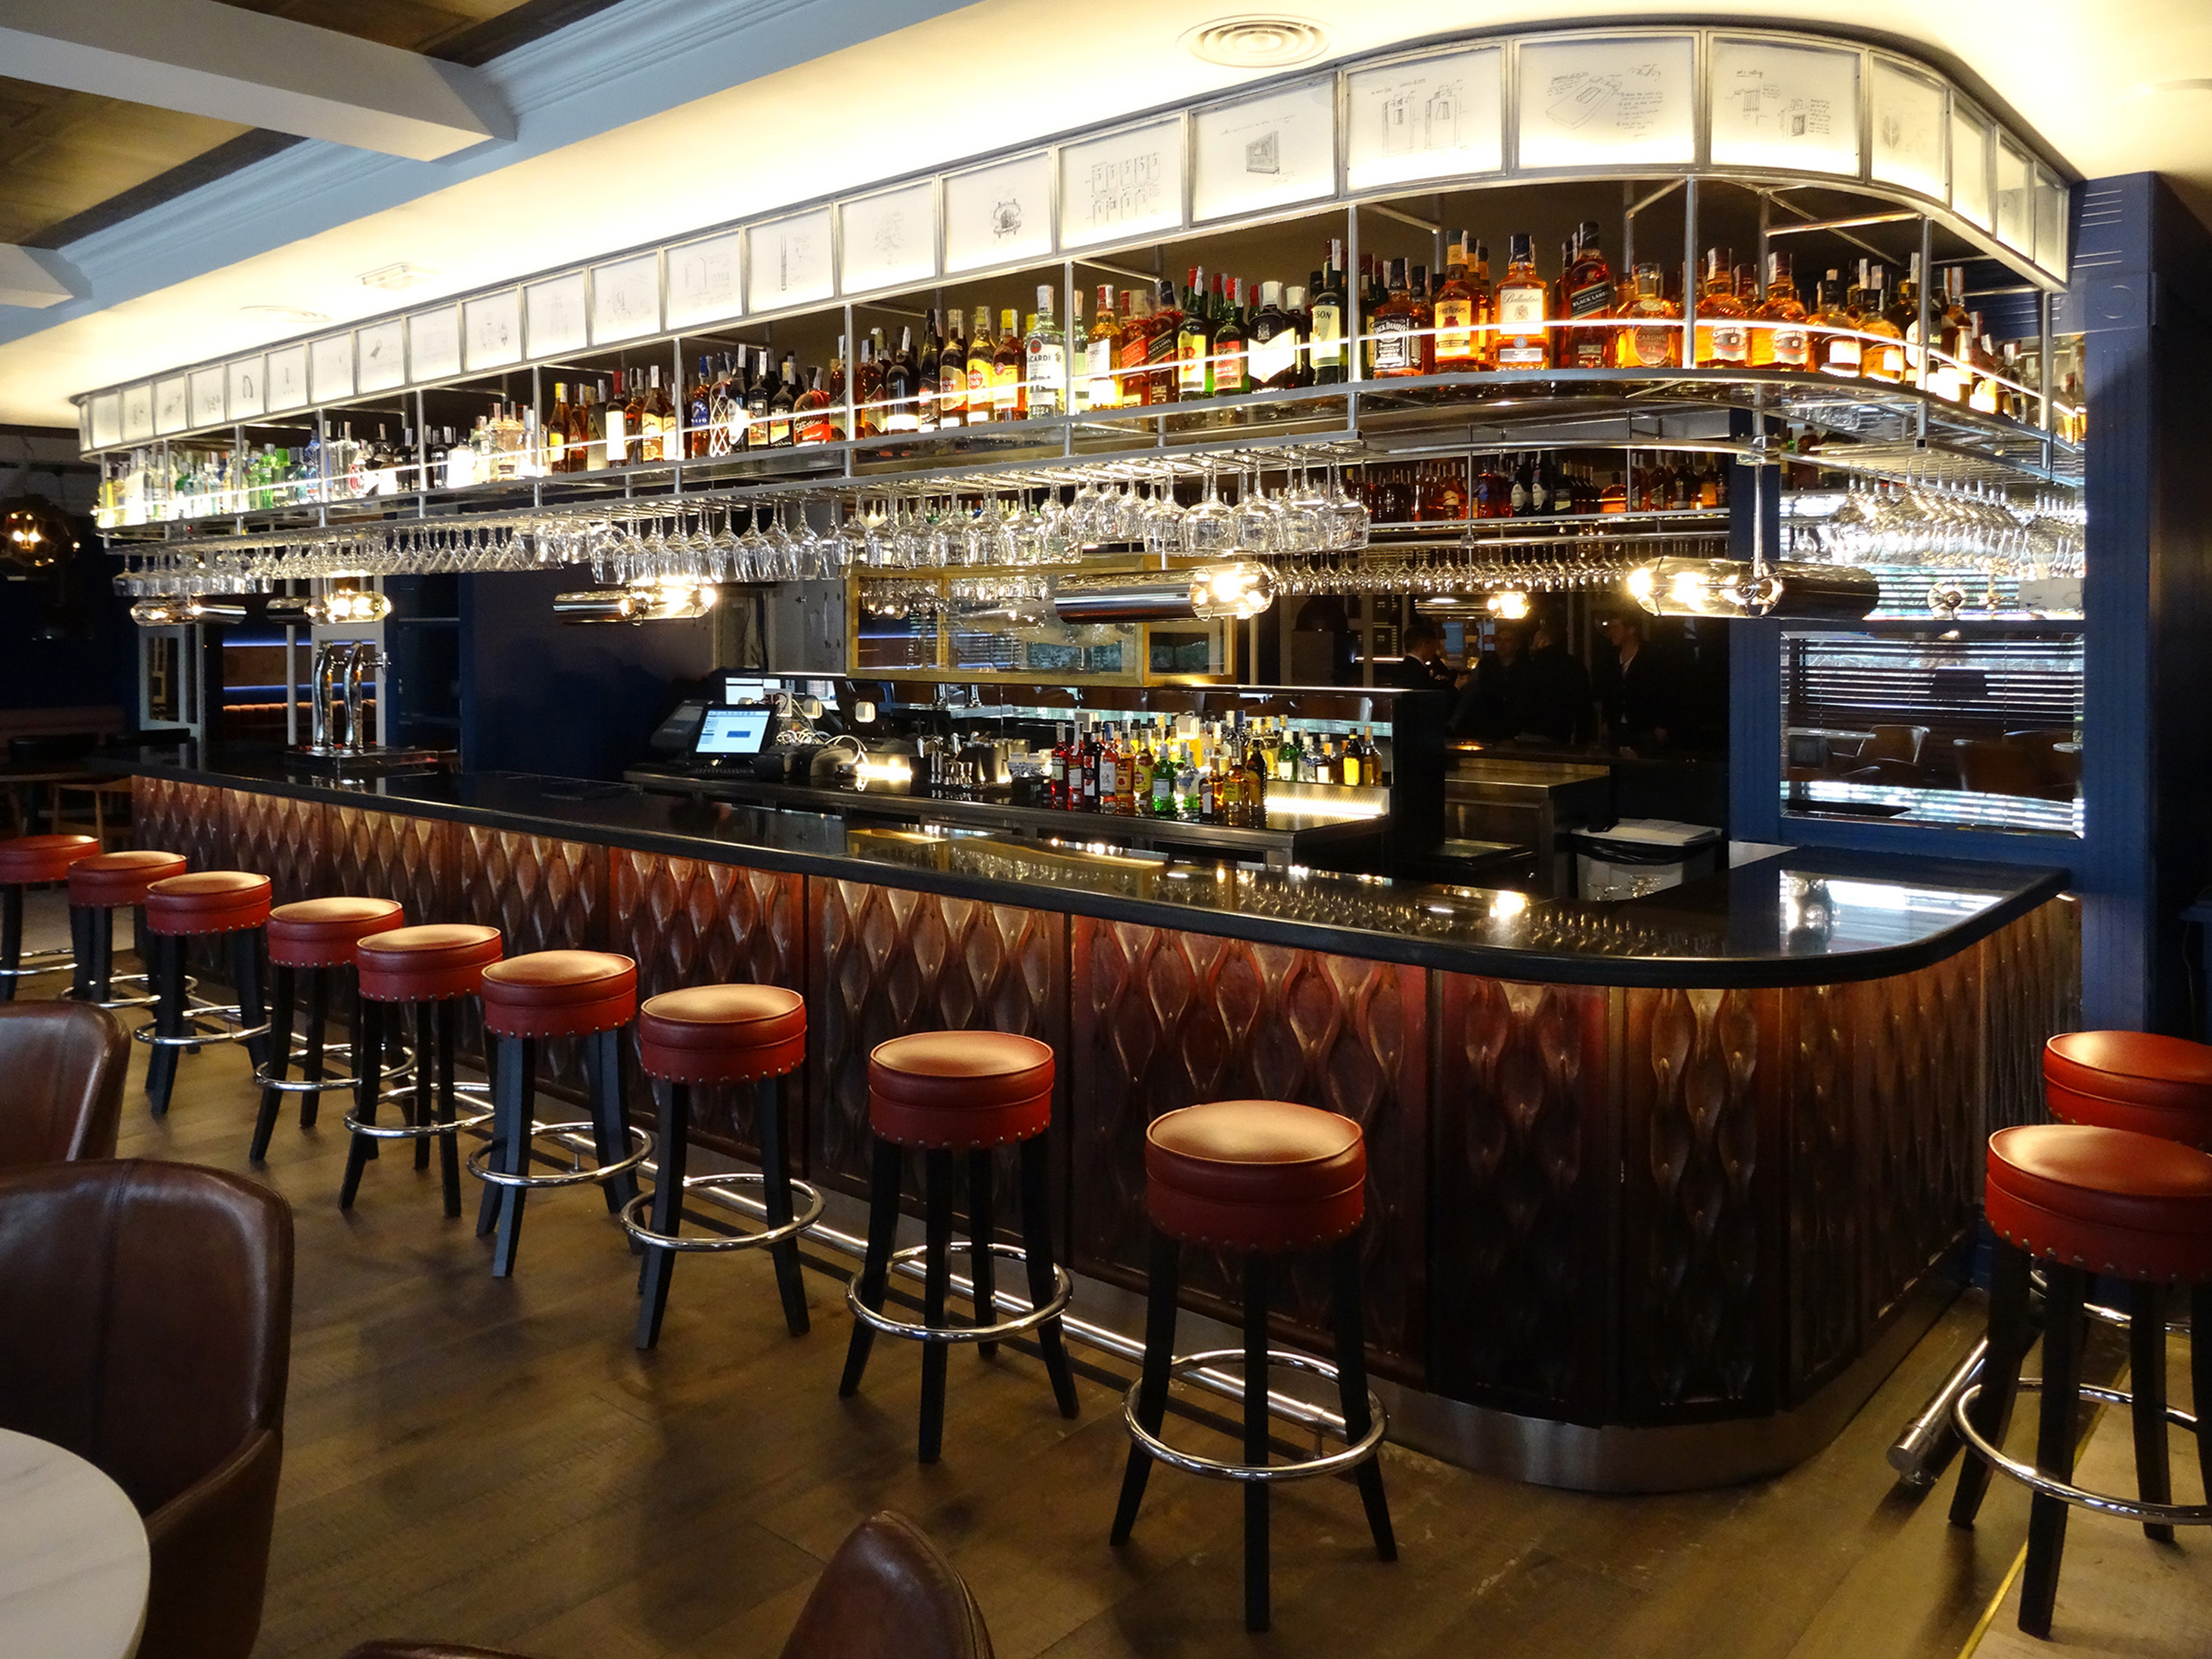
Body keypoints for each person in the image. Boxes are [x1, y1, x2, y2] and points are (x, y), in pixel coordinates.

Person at [1593, 611, 1672, 751]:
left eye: (1616, 627)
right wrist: (1606, 720)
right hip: (1617, 726)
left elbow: (1663, 690)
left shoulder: (1651, 656)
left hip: (1644, 726)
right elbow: (1607, 690)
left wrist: (1662, 724)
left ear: (1631, 630)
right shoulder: (1611, 657)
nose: (1611, 632)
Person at [1385, 617, 1457, 690]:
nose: (1436, 648)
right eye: (1434, 644)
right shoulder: (1417, 672)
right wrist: (1456, 687)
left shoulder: (1404, 669)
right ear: (1425, 644)